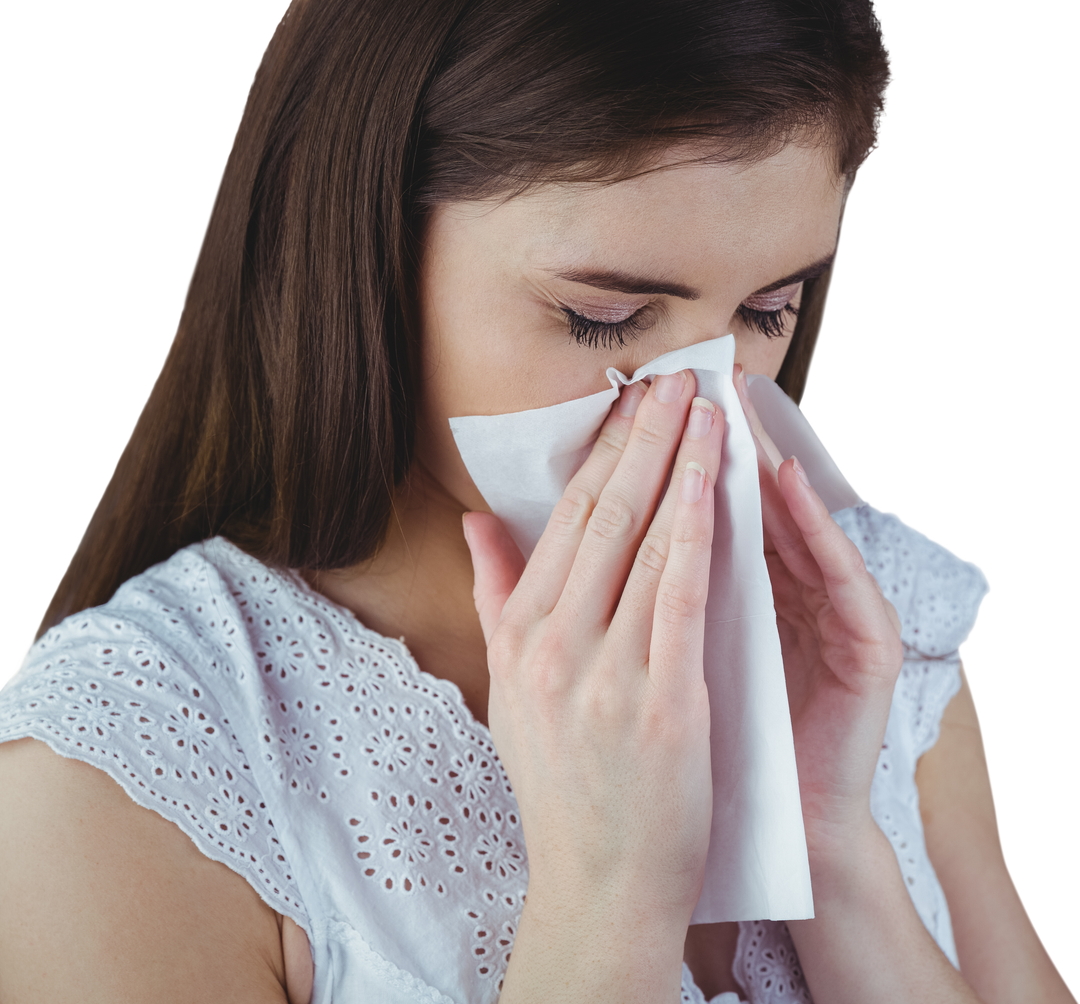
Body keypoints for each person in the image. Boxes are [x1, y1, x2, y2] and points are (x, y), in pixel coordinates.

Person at [0, 1, 1071, 1001]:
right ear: (366, 248)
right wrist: (607, 899)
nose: (702, 398)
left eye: (765, 307)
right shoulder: (136, 762)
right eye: (605, 318)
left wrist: (834, 847)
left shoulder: (862, 631)